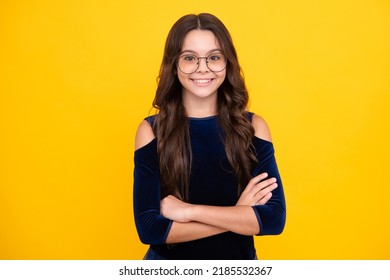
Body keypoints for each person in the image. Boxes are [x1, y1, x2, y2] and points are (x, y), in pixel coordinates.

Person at [133, 13, 286, 260]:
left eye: (214, 57)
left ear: (228, 63)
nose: (202, 68)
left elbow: (273, 220)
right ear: (174, 64)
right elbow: (150, 229)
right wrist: (238, 214)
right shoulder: (150, 131)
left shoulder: (253, 127)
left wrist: (188, 211)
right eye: (190, 58)